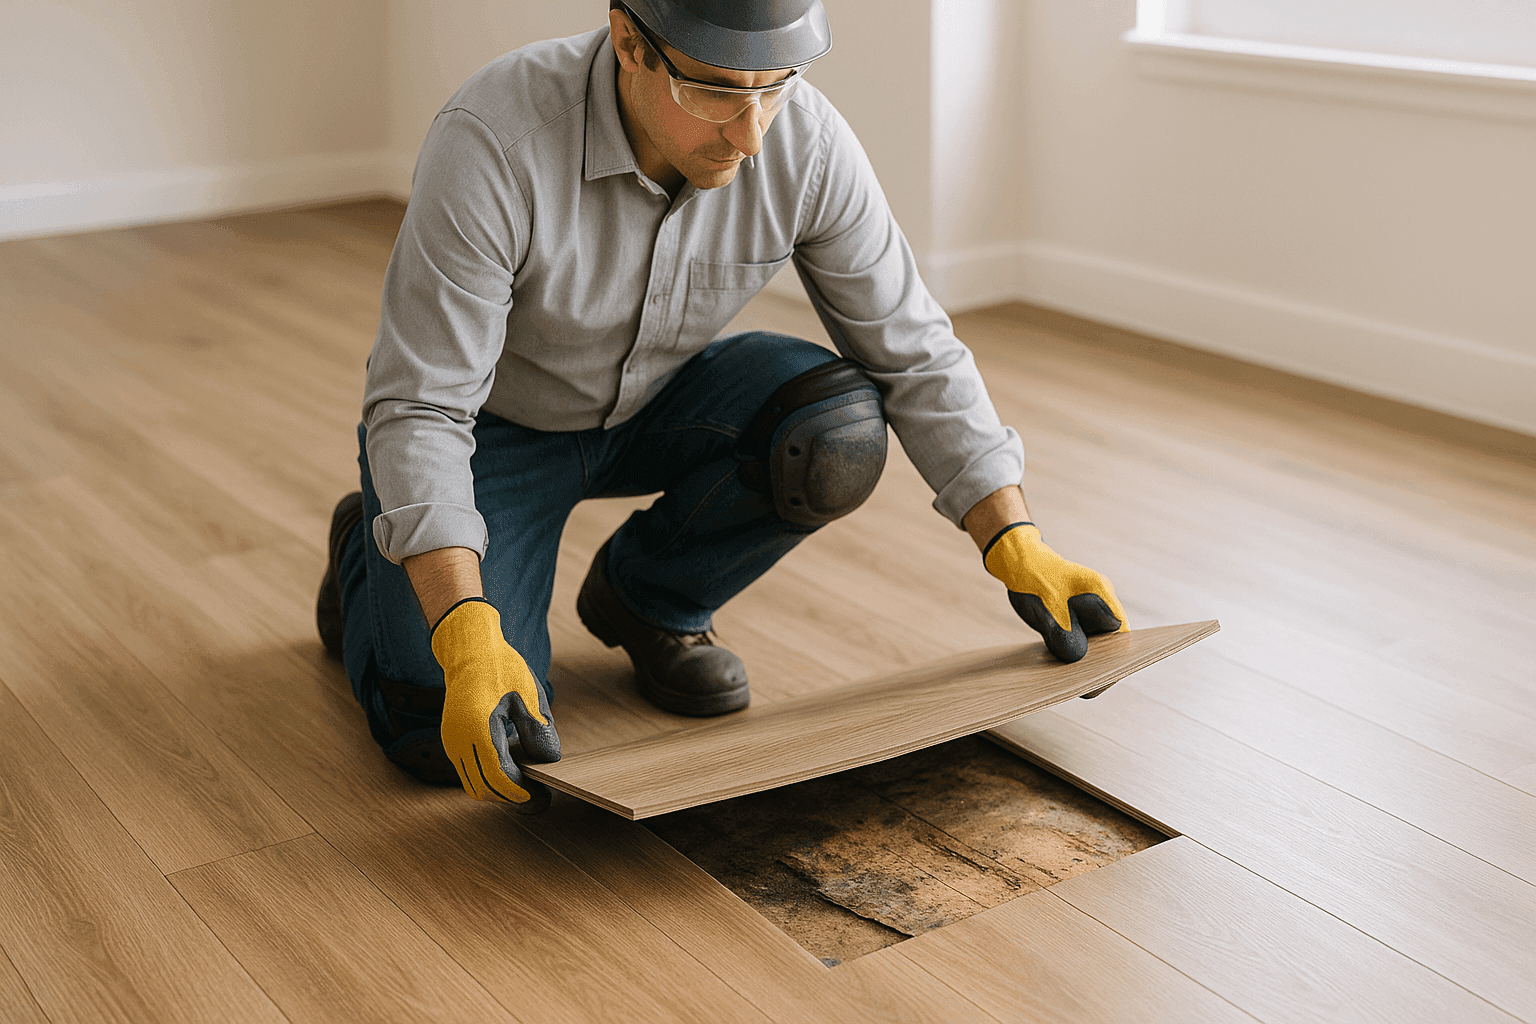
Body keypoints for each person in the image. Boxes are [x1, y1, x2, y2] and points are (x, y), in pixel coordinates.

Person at [315, 0, 1129, 813]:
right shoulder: (495, 141)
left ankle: (650, 599)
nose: (752, 134)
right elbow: (421, 406)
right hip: (495, 433)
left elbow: (911, 345)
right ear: (628, 39)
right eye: (715, 91)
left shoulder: (803, 143)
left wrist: (1015, 537)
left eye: (773, 87)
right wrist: (458, 624)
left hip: (658, 405)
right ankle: (367, 547)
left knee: (835, 433)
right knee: (441, 733)